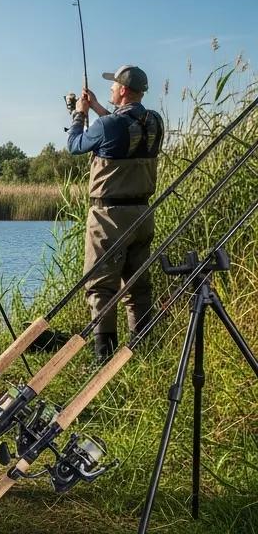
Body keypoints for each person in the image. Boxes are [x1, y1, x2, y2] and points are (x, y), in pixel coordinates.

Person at [68, 64, 164, 362]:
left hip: (108, 217)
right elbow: (120, 132)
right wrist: (97, 106)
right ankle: (142, 350)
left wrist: (79, 114)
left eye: (113, 86)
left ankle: (104, 357)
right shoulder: (155, 121)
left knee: (101, 286)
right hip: (142, 214)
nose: (110, 89)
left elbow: (74, 145)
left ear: (122, 89)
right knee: (138, 286)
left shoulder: (107, 126)